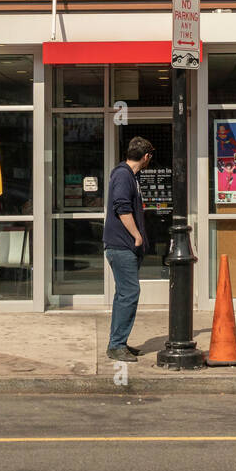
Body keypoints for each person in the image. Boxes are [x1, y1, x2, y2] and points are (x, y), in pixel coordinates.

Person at [103, 135, 155, 361]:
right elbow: (122, 208)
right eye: (149, 158)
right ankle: (116, 346)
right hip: (122, 247)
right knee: (130, 293)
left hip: (122, 247)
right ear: (146, 157)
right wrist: (136, 236)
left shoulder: (125, 175)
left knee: (123, 295)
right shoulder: (124, 176)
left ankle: (118, 342)